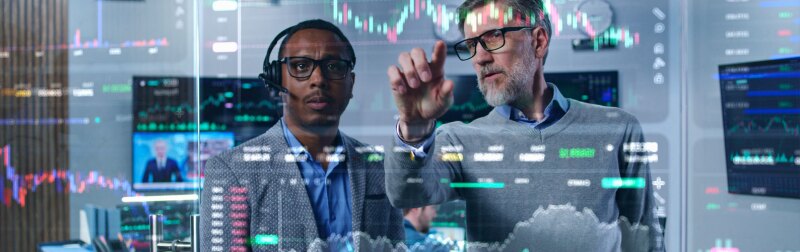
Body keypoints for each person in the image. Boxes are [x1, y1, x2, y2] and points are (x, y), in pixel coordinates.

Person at [384, 0, 664, 250]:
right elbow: (406, 193)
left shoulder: (617, 129)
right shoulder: (459, 139)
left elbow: (644, 240)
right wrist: (414, 129)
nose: (480, 57)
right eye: (472, 45)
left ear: (539, 41)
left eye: (494, 37)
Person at [200, 19, 404, 251]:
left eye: (334, 66)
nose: (318, 80)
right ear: (277, 80)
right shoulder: (231, 172)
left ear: (351, 83)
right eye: (300, 66)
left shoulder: (379, 167)